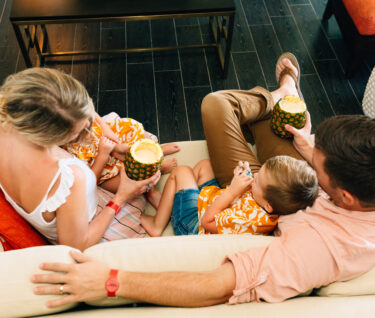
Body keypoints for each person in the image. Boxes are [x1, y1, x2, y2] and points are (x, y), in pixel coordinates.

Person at [31, 53, 375, 308]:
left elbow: (215, 284)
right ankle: (286, 93)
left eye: (320, 159)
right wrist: (307, 147)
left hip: (270, 195)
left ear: (343, 197)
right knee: (220, 104)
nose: (313, 150)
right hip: (286, 179)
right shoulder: (353, 182)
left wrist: (110, 281)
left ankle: (284, 95)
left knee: (232, 110)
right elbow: (322, 167)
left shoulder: (318, 249)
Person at [0, 67, 161, 251]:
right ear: (55, 137)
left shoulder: (11, 117)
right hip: (92, 228)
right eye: (79, 132)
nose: (88, 129)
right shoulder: (67, 180)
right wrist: (121, 197)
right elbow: (77, 245)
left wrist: (113, 149)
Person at [141, 156, 318, 237]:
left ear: (268, 205)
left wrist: (232, 191)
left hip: (195, 226)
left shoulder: (250, 221)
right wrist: (243, 176)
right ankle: (171, 206)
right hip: (213, 202)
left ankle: (158, 223)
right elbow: (248, 197)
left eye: (258, 180)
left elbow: (207, 222)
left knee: (182, 171)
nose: (254, 177)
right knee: (206, 165)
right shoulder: (267, 202)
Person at [63, 111, 180, 194]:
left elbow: (98, 120)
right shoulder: (73, 154)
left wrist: (115, 145)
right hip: (102, 167)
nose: (89, 124)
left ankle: (154, 151)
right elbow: (91, 178)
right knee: (111, 185)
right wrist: (103, 155)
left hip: (110, 143)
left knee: (132, 128)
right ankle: (155, 169)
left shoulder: (85, 112)